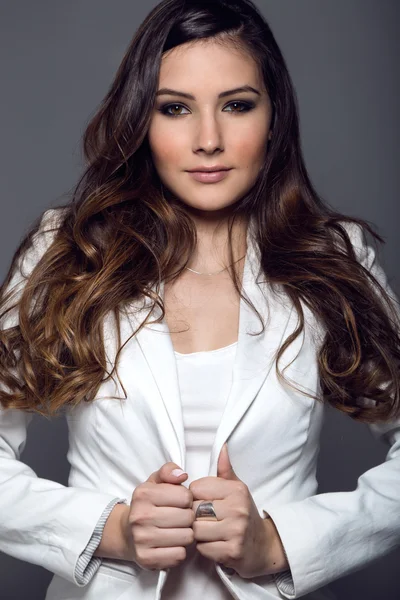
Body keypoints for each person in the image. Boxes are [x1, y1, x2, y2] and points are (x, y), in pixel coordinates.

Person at [0, 1, 399, 599]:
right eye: (175, 108)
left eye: (237, 105)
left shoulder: (334, 255)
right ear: (142, 120)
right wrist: (108, 531)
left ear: (274, 118)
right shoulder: (71, 250)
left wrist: (282, 542)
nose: (208, 140)